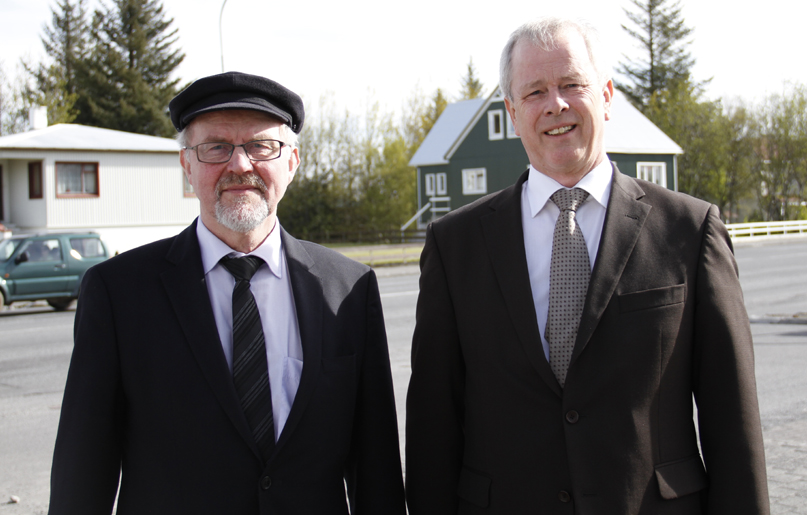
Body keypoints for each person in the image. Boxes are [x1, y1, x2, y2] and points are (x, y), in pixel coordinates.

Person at [405, 17, 769, 515]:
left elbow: (732, 418)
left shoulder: (690, 230)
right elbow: (433, 425)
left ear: (606, 96)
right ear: (512, 113)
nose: (555, 104)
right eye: (534, 91)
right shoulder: (455, 245)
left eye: (572, 84)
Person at [49, 72, 406, 515]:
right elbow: (83, 471)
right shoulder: (118, 293)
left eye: (261, 146)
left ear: (292, 162)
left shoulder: (349, 288)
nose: (240, 164)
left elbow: (377, 469)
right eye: (216, 147)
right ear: (187, 166)